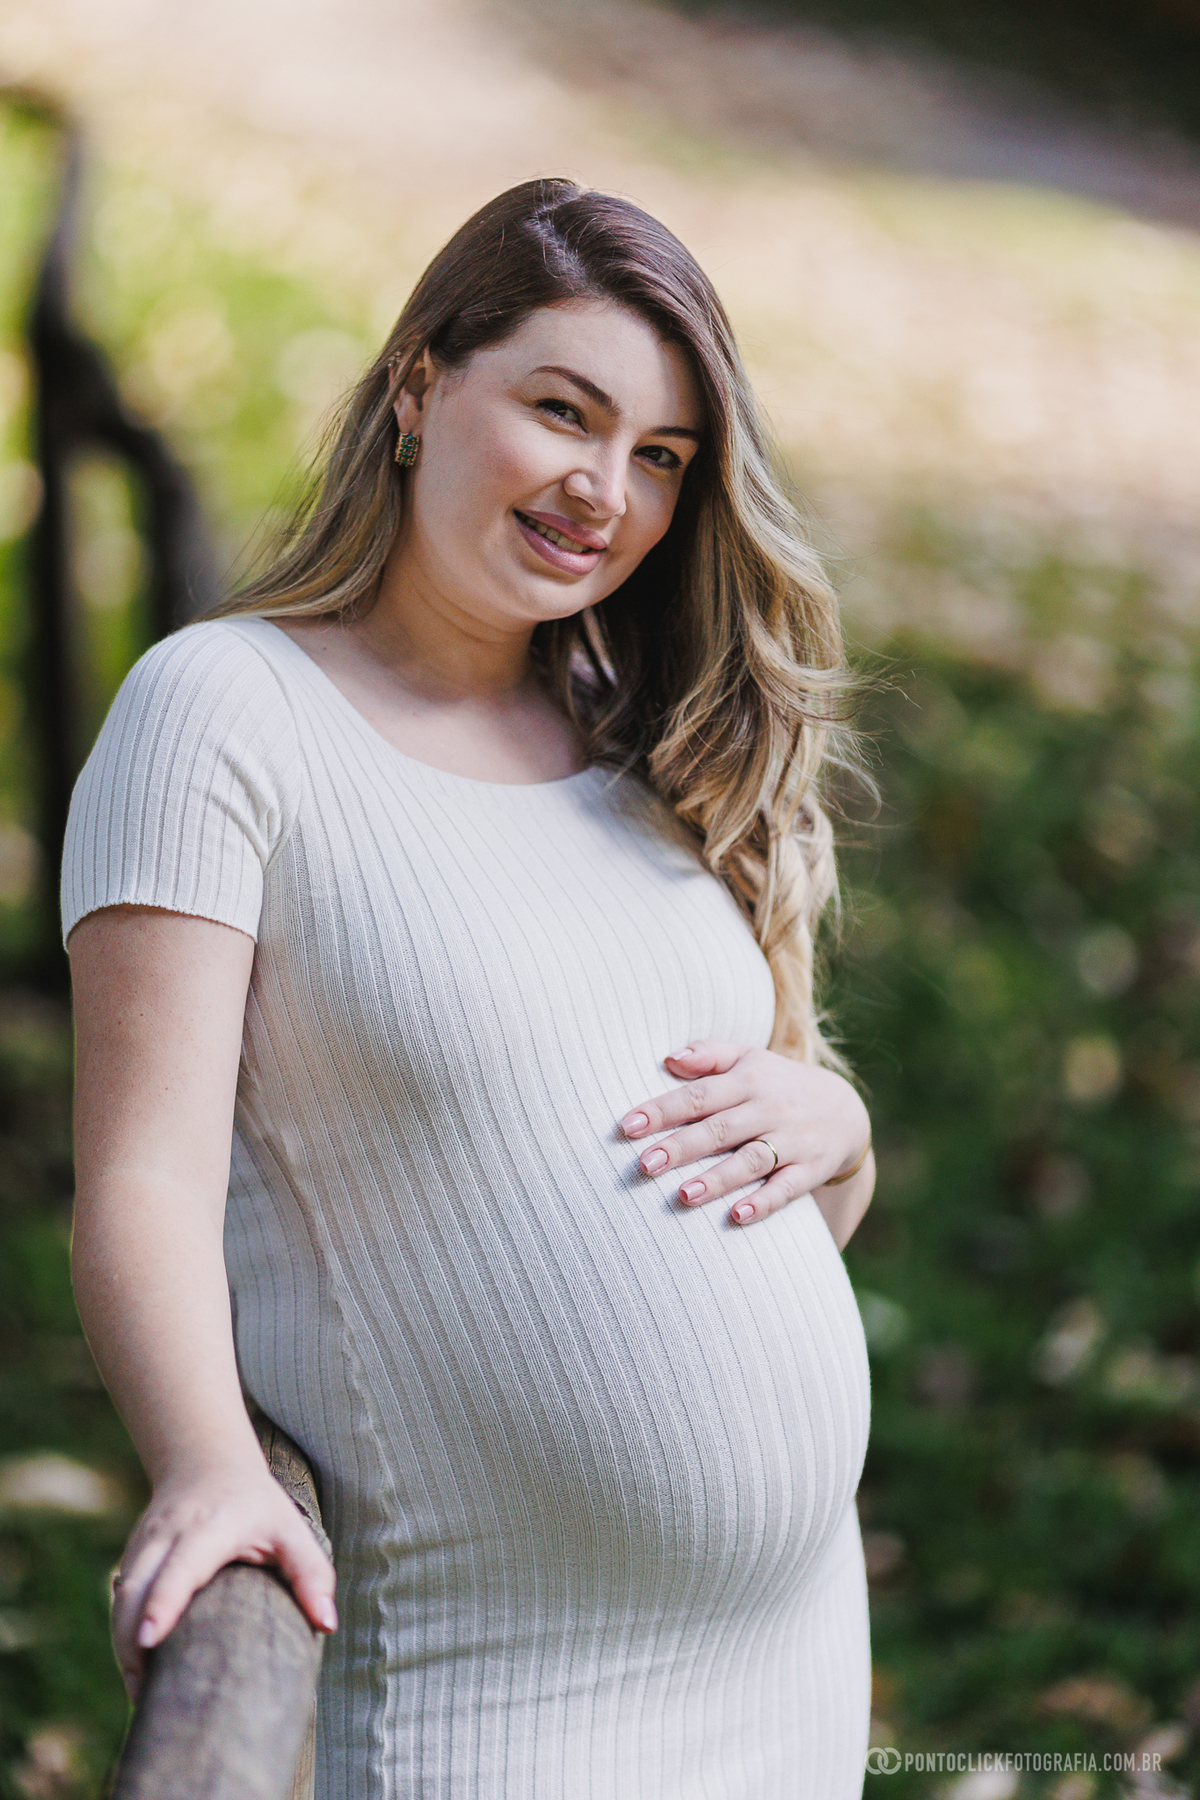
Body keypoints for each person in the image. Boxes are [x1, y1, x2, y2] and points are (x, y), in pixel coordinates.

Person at [64, 178, 876, 1799]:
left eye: (660, 457)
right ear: (423, 384)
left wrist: (836, 1125)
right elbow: (141, 1179)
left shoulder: (640, 737)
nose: (605, 492)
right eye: (562, 412)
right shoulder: (223, 713)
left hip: (787, 1674)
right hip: (489, 1703)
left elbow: (739, 1175)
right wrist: (210, 1467)